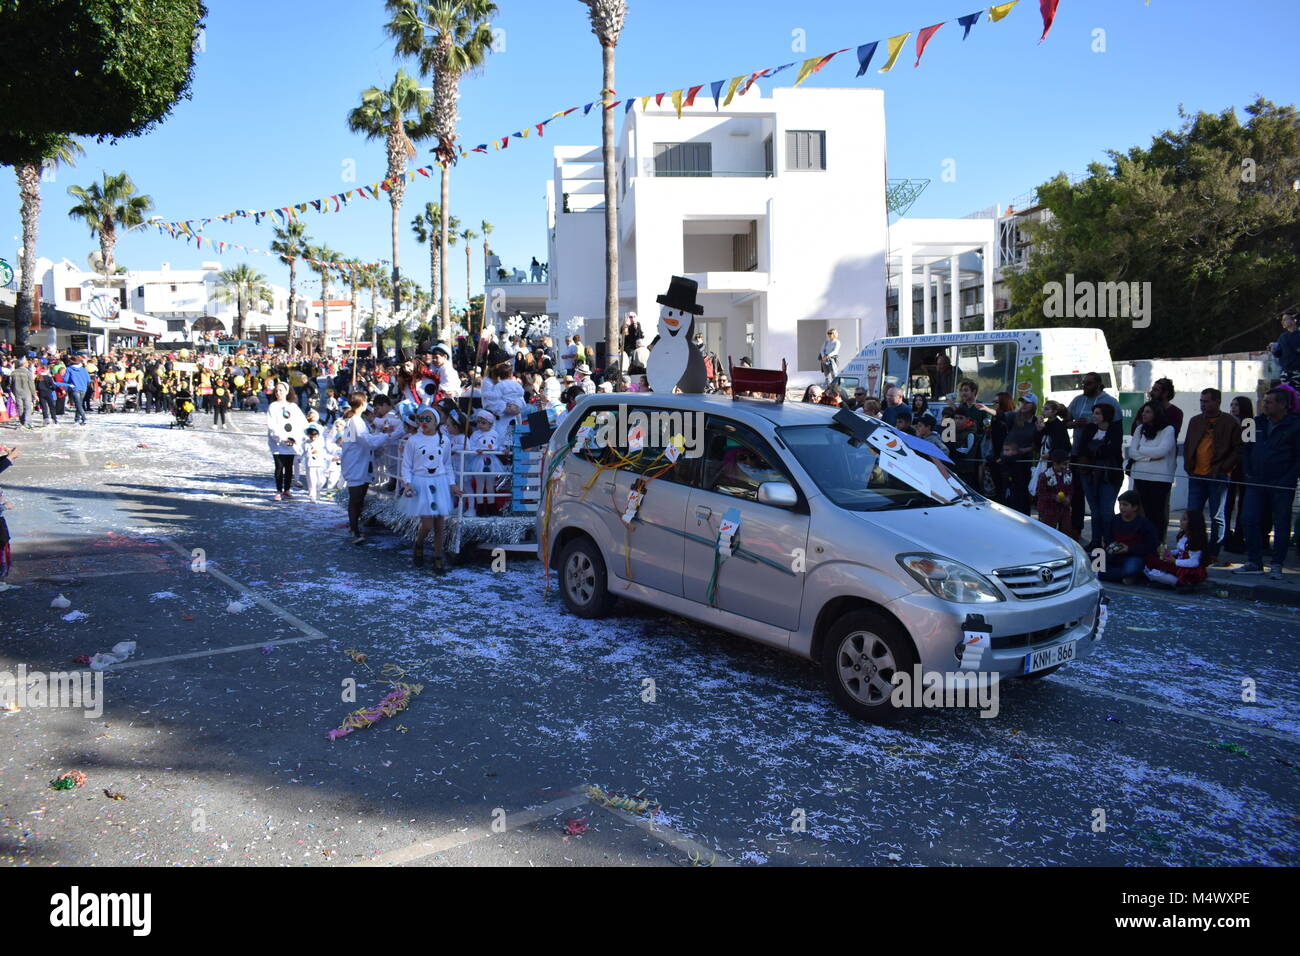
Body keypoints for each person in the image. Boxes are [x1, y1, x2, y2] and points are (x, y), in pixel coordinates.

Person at [1234, 387, 1300, 578]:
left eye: (1269, 402)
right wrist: (1248, 474)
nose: (1264, 405)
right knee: (1248, 518)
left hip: (1281, 484)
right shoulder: (1253, 423)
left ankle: (1277, 564)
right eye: (1264, 401)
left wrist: (1288, 479)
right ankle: (1254, 561)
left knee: (1281, 523)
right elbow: (1244, 450)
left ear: (1282, 405)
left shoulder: (1295, 425)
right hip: (1256, 482)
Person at [1182, 387, 1242, 566]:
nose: (1203, 404)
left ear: (1217, 402)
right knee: (1193, 514)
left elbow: (1239, 448)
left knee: (1217, 516)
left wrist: (1225, 468)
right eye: (1201, 401)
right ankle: (1192, 549)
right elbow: (1187, 445)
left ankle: (1213, 552)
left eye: (1207, 401)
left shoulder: (1230, 422)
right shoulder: (1195, 421)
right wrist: (1188, 465)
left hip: (1218, 476)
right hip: (1196, 475)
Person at [335, 392, 394, 544]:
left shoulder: (358, 421)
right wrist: (386, 436)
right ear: (362, 404)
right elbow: (369, 442)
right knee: (355, 498)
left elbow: (368, 440)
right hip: (355, 465)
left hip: (360, 463)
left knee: (359, 498)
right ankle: (354, 530)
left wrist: (381, 434)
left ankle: (355, 527)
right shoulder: (354, 421)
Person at [1125, 401, 1177, 545]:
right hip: (1140, 477)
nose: (1144, 414)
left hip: (1160, 479)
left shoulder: (1168, 430)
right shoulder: (1140, 428)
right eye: (1143, 411)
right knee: (1142, 513)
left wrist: (1141, 451)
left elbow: (1162, 451)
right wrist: (1150, 456)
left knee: (1157, 515)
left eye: (1148, 411)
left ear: (1156, 413)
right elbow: (1132, 452)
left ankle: (1158, 544)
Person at [1077, 403, 1125, 547]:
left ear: (1106, 415)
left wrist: (1096, 449)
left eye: (1097, 413)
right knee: (1095, 511)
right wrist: (1099, 448)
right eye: (1094, 413)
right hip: (1089, 474)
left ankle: (1109, 542)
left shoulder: (1115, 430)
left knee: (1106, 511)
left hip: (1109, 475)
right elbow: (1083, 449)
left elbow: (1112, 450)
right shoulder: (1090, 429)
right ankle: (1096, 541)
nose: (1094, 416)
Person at [1100, 491, 1160, 584]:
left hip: (1134, 556)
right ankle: (1126, 577)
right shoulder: (1114, 520)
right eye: (1120, 504)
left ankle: (1106, 575)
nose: (1121, 507)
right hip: (1115, 554)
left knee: (1131, 568)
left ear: (1135, 507)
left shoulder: (1145, 524)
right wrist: (1114, 546)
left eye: (1125, 505)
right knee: (1095, 557)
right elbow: (1108, 538)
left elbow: (1151, 546)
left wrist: (1129, 549)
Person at [1143, 511, 1208, 589]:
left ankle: (1181, 583)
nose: (1180, 521)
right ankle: (1169, 581)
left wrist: (1175, 561)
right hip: (1178, 563)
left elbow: (1194, 562)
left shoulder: (1195, 541)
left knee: (1162, 572)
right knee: (1152, 559)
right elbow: (1180, 551)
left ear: (1193, 523)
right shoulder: (1184, 536)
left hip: (1187, 569)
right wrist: (1167, 552)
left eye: (1184, 519)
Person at [266, 382, 308, 501]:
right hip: (278, 442)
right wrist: (279, 437)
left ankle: (287, 490)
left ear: (287, 391)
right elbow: (271, 424)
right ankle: (279, 490)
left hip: (291, 442)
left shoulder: (293, 406)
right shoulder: (273, 406)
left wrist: (302, 435)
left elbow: (302, 422)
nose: (278, 393)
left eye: (281, 390)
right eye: (276, 391)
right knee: (279, 466)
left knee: (289, 466)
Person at [1034, 449, 1075, 538]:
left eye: (1068, 464)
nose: (1066, 467)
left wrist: (1068, 498)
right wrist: (1054, 497)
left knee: (1066, 531)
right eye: (1064, 464)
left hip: (1064, 509)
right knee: (1048, 534)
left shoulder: (1068, 474)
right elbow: (1040, 493)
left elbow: (1071, 489)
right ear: (1055, 463)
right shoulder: (1045, 476)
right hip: (1048, 510)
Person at [299, 424, 332, 503]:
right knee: (311, 480)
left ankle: (318, 490)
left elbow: (324, 453)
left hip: (320, 464)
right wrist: (300, 458)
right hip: (310, 464)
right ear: (308, 435)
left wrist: (330, 458)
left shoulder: (321, 443)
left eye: (315, 436)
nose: (313, 438)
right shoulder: (305, 443)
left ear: (318, 435)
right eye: (311, 436)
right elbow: (303, 452)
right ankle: (312, 495)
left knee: (321, 480)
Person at [1269, 310, 1300, 386]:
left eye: (1285, 319)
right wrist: (1273, 351)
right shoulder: (1283, 336)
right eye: (1282, 320)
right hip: (1285, 372)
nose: (1282, 322)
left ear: (1294, 320)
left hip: (1298, 371)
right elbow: (1279, 354)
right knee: (1286, 394)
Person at [10, 357, 34, 429]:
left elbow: (11, 384)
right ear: (24, 364)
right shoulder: (28, 372)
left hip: (17, 392)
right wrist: (34, 394)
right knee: (27, 407)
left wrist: (13, 392)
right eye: (26, 362)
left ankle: (22, 421)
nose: (28, 364)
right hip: (27, 392)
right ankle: (27, 422)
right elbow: (31, 384)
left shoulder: (13, 372)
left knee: (20, 408)